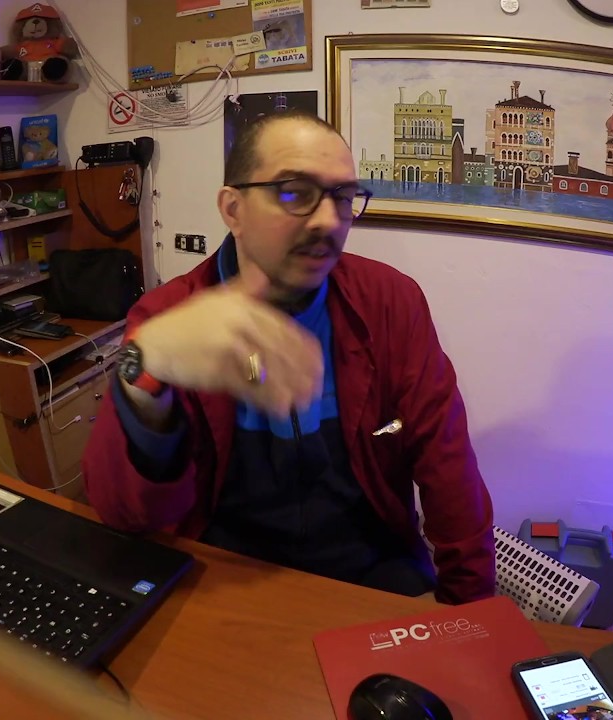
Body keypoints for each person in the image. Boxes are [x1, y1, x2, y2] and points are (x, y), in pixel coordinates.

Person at [81, 110, 496, 603]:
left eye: (343, 197)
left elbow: (447, 461)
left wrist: (468, 607)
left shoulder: (390, 301)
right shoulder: (169, 316)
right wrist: (146, 373)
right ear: (233, 209)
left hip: (372, 567)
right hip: (225, 575)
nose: (329, 220)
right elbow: (124, 515)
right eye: (295, 192)